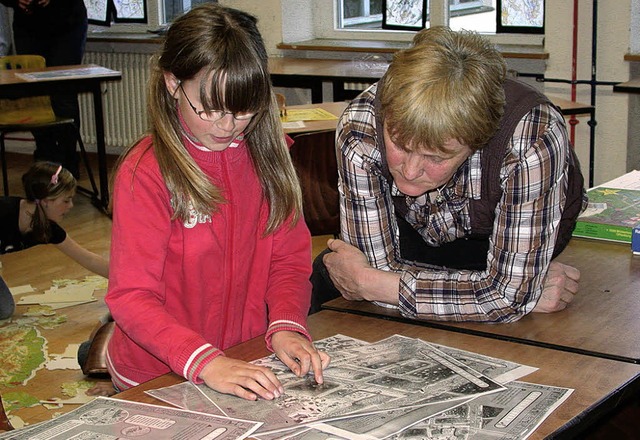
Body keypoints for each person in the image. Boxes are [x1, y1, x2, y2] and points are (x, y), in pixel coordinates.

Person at [105, 4, 330, 401]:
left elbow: (288, 262)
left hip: (245, 358)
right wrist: (207, 362)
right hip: (158, 372)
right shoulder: (146, 172)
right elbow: (132, 296)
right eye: (209, 109)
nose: (227, 127)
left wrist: (286, 324)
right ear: (173, 83)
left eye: (243, 109)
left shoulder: (270, 154)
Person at [310, 26, 588, 323]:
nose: (411, 170)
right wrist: (498, 293)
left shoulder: (533, 136)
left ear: (477, 142)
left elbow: (371, 282)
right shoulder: (361, 124)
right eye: (400, 146)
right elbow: (370, 276)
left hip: (495, 237)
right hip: (414, 235)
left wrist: (508, 296)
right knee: (326, 275)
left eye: (436, 157)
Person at [0, 161, 109, 319]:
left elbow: (88, 259)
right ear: (45, 201)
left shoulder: (47, 228)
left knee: (5, 310)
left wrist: (128, 279)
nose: (71, 206)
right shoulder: (4, 212)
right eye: (66, 200)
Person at [0, 0, 88, 176]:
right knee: (34, 93)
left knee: (63, 95)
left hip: (67, 24)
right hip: (28, 27)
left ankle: (68, 161)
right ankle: (46, 159)